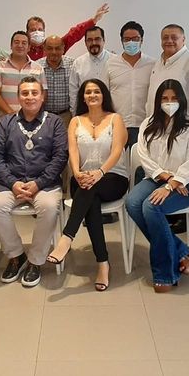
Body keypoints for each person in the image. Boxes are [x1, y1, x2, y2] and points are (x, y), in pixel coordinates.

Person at [47, 79, 128, 291]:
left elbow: (117, 151)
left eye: (97, 91)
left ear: (104, 95)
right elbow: (72, 151)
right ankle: (103, 263)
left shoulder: (115, 119)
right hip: (83, 178)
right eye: (88, 92)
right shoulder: (75, 121)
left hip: (112, 176)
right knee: (90, 197)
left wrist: (100, 173)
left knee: (91, 190)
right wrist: (76, 172)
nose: (92, 95)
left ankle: (67, 237)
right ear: (82, 97)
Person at [0, 76, 68, 288]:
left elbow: (60, 157)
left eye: (34, 93)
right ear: (18, 97)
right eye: (25, 93)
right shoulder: (5, 122)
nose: (30, 97)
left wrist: (38, 183)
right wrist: (13, 183)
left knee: (49, 207)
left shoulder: (55, 122)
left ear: (42, 96)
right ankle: (16, 255)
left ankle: (35, 261)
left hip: (45, 184)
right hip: (10, 183)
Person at [125, 79, 189, 293]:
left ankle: (165, 274)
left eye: (174, 98)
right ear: (158, 101)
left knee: (151, 207)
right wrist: (167, 179)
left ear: (182, 100)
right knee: (132, 203)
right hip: (157, 178)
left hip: (186, 183)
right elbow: (144, 156)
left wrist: (173, 184)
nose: (169, 102)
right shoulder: (148, 124)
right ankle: (179, 251)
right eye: (165, 98)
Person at [146, 24, 189, 129]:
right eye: (165, 38)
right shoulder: (157, 63)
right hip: (156, 127)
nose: (169, 41)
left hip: (182, 128)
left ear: (183, 40)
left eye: (174, 37)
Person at [107, 21, 155, 148]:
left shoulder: (153, 64)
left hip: (145, 125)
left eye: (135, 39)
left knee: (141, 160)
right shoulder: (110, 64)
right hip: (118, 125)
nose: (131, 42)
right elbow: (105, 94)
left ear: (142, 40)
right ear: (122, 41)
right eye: (127, 39)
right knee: (118, 159)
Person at [0, 31, 48, 117]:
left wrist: (30, 115)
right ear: (11, 46)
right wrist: (12, 115)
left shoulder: (38, 68)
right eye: (16, 42)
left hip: (31, 120)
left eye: (24, 43)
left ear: (29, 47)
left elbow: (43, 95)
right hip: (5, 120)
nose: (20, 45)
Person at [26, 3, 110, 61]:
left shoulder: (56, 47)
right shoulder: (22, 49)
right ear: (27, 32)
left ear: (44, 31)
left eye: (40, 30)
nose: (37, 32)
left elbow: (74, 34)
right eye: (33, 30)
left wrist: (94, 20)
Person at [69, 26, 113, 114]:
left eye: (97, 39)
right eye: (89, 40)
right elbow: (73, 92)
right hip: (85, 113)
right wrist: (75, 115)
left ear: (104, 40)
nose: (93, 43)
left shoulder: (114, 61)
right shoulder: (78, 63)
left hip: (109, 112)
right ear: (85, 43)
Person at [37, 35, 74, 130]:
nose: (54, 52)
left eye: (57, 48)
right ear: (44, 49)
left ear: (63, 49)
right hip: (43, 116)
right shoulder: (37, 67)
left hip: (66, 116)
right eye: (50, 48)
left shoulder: (73, 65)